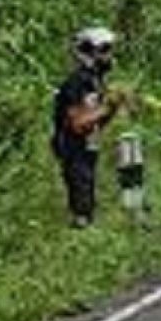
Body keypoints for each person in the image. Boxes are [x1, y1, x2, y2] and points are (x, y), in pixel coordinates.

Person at [51, 27, 125, 227]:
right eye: (105, 50)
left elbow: (96, 122)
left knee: (88, 200)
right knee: (81, 206)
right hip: (73, 149)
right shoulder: (77, 82)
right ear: (90, 51)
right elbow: (77, 122)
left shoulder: (94, 82)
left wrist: (112, 109)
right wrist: (108, 106)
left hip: (87, 149)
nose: (109, 56)